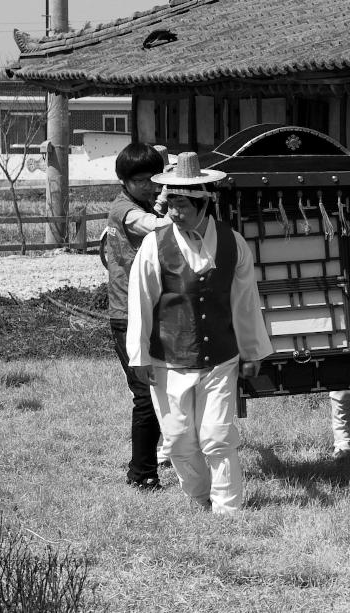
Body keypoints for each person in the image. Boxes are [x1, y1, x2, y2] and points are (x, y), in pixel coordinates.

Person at [127, 151, 273, 514]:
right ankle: (198, 496)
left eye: (181, 204)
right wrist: (139, 356)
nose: (174, 212)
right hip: (169, 358)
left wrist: (252, 351)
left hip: (221, 357)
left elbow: (245, 301)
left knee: (217, 436)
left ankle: (228, 508)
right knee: (178, 440)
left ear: (202, 202)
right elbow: (141, 302)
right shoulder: (154, 244)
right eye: (170, 203)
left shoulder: (232, 242)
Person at [104, 142, 172, 490]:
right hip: (128, 317)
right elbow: (152, 226)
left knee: (168, 390)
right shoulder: (124, 209)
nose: (150, 185)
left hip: (155, 311)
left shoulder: (145, 201)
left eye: (154, 178)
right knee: (146, 395)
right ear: (124, 180)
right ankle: (141, 474)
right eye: (141, 179)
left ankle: (169, 451)